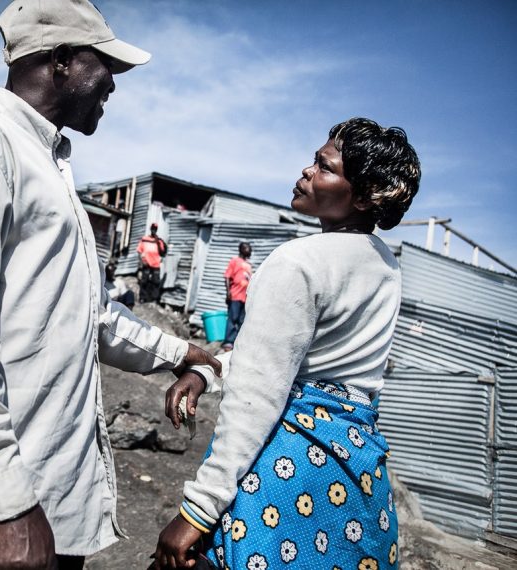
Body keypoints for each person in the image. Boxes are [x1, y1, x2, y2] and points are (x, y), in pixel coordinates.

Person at [0, 2, 221, 569]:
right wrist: (7, 506)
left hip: (41, 514)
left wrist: (184, 353)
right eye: (104, 63)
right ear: (62, 61)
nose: (113, 82)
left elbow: (90, 315)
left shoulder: (48, 165)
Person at [151, 118, 421, 570]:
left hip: (290, 461)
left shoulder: (299, 261)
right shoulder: (385, 266)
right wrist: (208, 371)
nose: (306, 171)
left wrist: (197, 511)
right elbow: (293, 357)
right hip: (354, 468)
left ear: (362, 196)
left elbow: (259, 392)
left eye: (325, 166)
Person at [221, 242, 252, 350]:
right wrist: (228, 292)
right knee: (232, 318)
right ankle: (228, 342)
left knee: (241, 321)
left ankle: (237, 342)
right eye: (246, 248)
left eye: (249, 248)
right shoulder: (234, 261)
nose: (249, 250)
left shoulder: (248, 265)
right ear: (241, 249)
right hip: (235, 295)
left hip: (245, 297)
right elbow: (227, 277)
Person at [137, 222, 167, 302]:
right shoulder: (144, 239)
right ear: (151, 229)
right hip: (146, 263)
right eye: (153, 229)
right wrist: (141, 261)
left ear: (156, 230)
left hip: (156, 264)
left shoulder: (159, 241)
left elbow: (163, 252)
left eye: (155, 229)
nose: (154, 230)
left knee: (155, 282)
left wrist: (160, 242)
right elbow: (139, 251)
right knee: (144, 281)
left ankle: (154, 299)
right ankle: (142, 298)